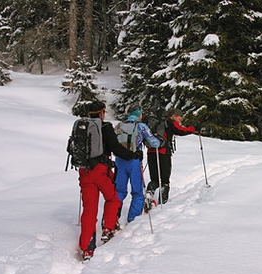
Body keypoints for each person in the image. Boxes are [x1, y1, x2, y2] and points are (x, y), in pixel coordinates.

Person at [78, 101, 141, 261]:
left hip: (84, 171)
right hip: (101, 170)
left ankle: (87, 248)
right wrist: (132, 155)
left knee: (89, 209)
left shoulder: (82, 126)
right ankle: (108, 229)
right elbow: (116, 148)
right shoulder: (105, 127)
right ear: (101, 113)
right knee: (113, 198)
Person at [114, 106, 160, 223]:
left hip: (119, 160)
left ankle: (113, 218)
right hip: (134, 161)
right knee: (137, 191)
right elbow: (154, 143)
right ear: (139, 114)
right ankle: (132, 219)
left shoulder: (119, 125)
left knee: (119, 190)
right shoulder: (141, 126)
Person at [146, 108, 199, 207]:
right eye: (179, 118)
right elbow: (180, 130)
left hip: (151, 151)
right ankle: (163, 203)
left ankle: (149, 195)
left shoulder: (155, 122)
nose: (180, 121)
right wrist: (193, 128)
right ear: (174, 116)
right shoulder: (169, 122)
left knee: (154, 179)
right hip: (163, 152)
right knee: (165, 180)